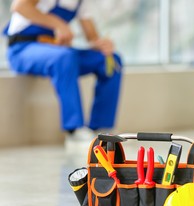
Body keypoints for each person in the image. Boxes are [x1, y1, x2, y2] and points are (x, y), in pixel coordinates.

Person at [3, 0, 122, 148]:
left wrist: (102, 44)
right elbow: (19, 6)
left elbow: (92, 37)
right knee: (65, 57)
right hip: (22, 50)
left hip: (57, 52)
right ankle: (74, 130)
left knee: (110, 60)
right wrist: (58, 24)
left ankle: (101, 130)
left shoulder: (81, 3)